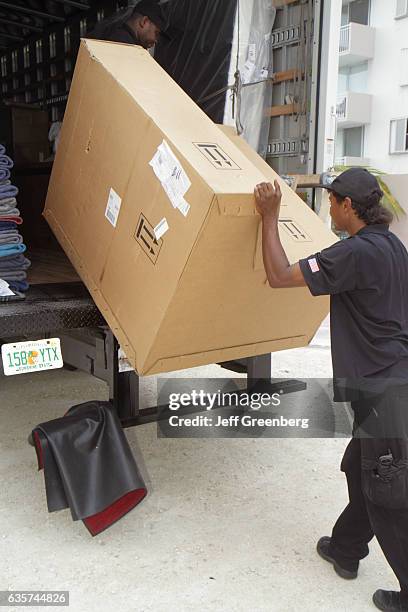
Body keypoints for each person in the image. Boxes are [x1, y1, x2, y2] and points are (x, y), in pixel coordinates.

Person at [254, 168, 408, 612]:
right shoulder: (390, 244)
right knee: (361, 471)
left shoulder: (354, 253)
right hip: (385, 384)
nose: (328, 207)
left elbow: (279, 276)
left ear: (347, 207)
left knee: (387, 492)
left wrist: (270, 216)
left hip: (383, 389)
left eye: (332, 201)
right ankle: (346, 550)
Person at [87, 0, 168, 49]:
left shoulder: (115, 34)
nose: (156, 40)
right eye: (156, 33)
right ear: (144, 21)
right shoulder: (123, 44)